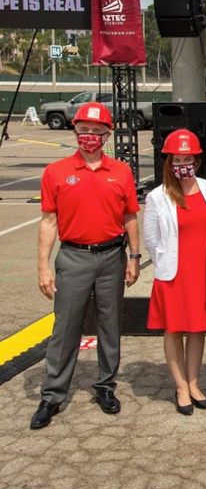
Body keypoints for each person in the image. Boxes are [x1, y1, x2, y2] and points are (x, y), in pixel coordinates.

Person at [30, 102, 141, 430]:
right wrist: (42, 267)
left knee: (110, 325)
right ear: (75, 131)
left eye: (96, 132)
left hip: (111, 257)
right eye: (84, 131)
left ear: (107, 135)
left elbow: (130, 216)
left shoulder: (121, 172)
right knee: (65, 328)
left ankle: (106, 386)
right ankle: (51, 395)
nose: (89, 137)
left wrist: (135, 257)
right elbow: (49, 222)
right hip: (74, 257)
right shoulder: (56, 172)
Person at [144, 129, 206, 415]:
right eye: (177, 160)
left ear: (197, 161)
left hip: (204, 271)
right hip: (175, 273)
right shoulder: (157, 196)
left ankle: (193, 382)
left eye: (187, 159)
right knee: (174, 329)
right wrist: (167, 262)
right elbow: (151, 241)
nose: (182, 165)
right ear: (168, 162)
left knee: (198, 329)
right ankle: (180, 386)